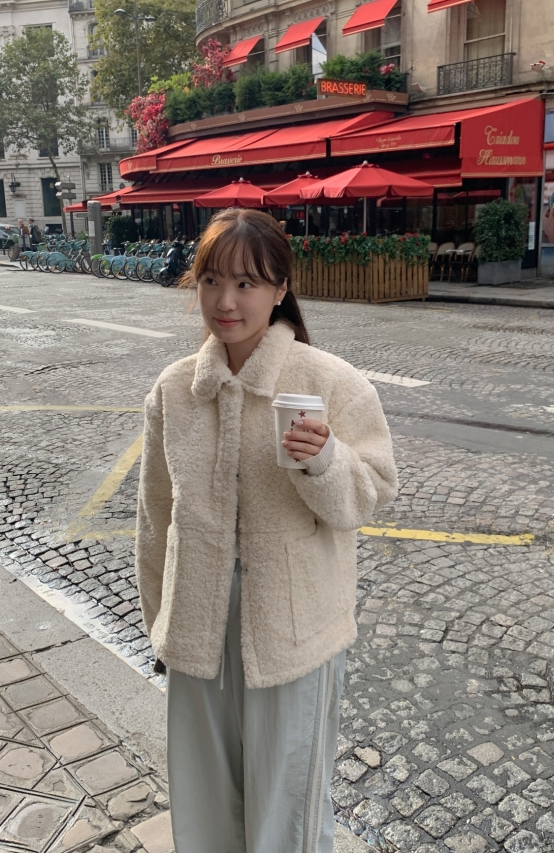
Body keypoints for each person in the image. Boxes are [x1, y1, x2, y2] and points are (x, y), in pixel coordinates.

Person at [135, 209, 397, 853]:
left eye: (246, 283)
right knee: (202, 797)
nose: (226, 301)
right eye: (212, 280)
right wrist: (162, 621)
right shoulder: (175, 390)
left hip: (293, 631)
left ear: (280, 289)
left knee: (288, 804)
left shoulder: (329, 382)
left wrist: (326, 460)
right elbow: (156, 513)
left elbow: (371, 493)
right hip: (197, 627)